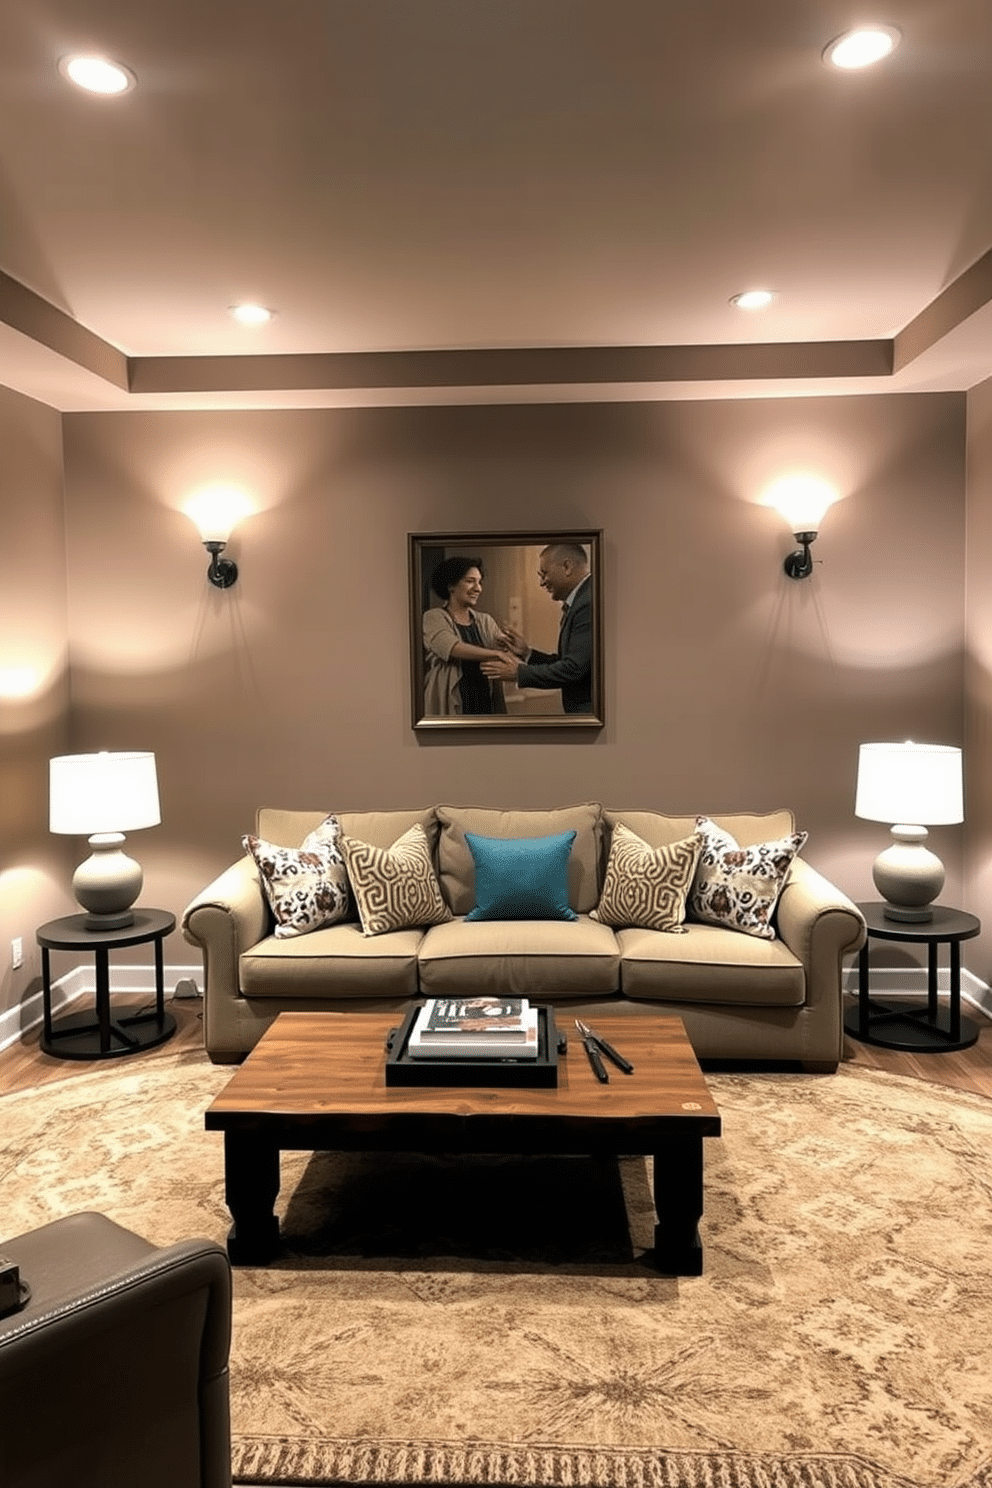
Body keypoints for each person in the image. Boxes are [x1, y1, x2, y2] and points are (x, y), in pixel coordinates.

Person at [480, 542, 593, 714]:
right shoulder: (581, 600)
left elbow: (573, 669)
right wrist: (527, 653)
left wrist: (519, 673)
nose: (541, 582)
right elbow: (568, 661)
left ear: (567, 567)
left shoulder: (587, 603)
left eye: (544, 574)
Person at [422, 557, 517, 716]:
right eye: (470, 581)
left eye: (479, 582)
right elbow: (451, 647)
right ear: (451, 585)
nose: (478, 588)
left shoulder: (485, 620)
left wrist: (510, 644)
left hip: (484, 701)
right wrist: (496, 653)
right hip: (452, 703)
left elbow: (503, 648)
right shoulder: (433, 617)